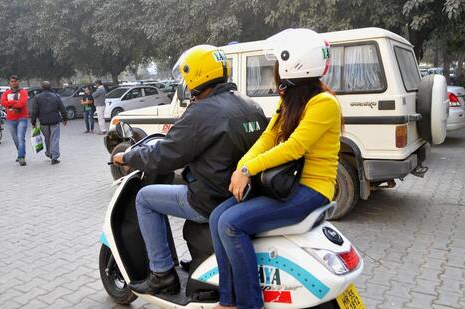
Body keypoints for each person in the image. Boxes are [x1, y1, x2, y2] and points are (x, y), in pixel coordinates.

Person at [112, 45, 267, 295]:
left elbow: (164, 155)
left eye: (186, 76)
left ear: (197, 76)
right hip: (243, 195)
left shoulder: (201, 112)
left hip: (211, 198)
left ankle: (162, 273)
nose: (184, 82)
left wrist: (127, 156)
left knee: (144, 198)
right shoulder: (250, 104)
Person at [209, 28, 342, 309]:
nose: (275, 70)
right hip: (287, 186)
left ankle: (249, 304)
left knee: (231, 224)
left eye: (278, 64)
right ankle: (228, 299)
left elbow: (294, 147)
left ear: (292, 63)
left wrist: (247, 171)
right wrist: (242, 166)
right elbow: (268, 138)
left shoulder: (324, 103)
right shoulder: (291, 99)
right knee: (216, 217)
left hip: (312, 189)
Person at [31, 81, 67, 164]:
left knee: (47, 139)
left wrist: (33, 122)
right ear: (50, 87)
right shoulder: (56, 96)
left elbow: (34, 111)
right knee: (55, 139)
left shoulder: (37, 97)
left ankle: (49, 152)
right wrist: (65, 119)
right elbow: (62, 108)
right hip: (55, 120)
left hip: (43, 122)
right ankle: (54, 157)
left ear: (42, 87)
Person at [0, 75, 29, 166]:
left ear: (18, 82)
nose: (13, 83)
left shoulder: (23, 92)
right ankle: (21, 153)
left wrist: (10, 104)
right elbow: (3, 103)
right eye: (11, 81)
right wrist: (14, 102)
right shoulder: (6, 93)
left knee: (21, 138)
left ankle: (21, 157)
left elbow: (22, 104)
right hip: (10, 119)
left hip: (22, 118)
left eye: (15, 81)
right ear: (9, 83)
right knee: (15, 139)